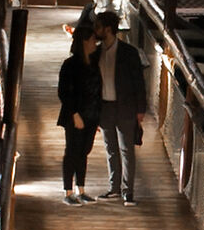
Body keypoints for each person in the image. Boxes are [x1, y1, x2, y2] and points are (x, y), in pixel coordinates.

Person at [95, 11, 147, 203]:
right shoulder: (96, 53)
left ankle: (128, 191)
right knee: (111, 149)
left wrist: (140, 110)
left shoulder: (129, 52)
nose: (95, 30)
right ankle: (114, 188)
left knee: (126, 150)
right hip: (104, 107)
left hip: (126, 107)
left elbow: (139, 82)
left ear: (108, 29)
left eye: (98, 27)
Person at [56, 21, 105, 205]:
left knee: (84, 151)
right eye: (92, 40)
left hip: (92, 113)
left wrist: (97, 116)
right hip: (75, 115)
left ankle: (81, 189)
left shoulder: (93, 63)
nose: (95, 43)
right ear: (84, 42)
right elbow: (63, 92)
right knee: (72, 151)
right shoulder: (70, 65)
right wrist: (74, 114)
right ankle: (68, 191)